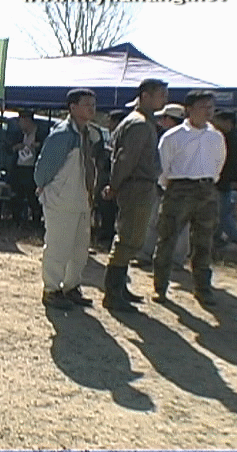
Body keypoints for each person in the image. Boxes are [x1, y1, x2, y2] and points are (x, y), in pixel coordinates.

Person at [152, 90, 226, 306]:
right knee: (167, 239)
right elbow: (162, 167)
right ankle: (160, 287)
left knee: (204, 241)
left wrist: (209, 182)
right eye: (203, 106)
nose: (208, 111)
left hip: (207, 190)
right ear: (189, 109)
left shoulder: (216, 136)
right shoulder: (173, 136)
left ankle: (203, 288)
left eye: (211, 107)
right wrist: (171, 186)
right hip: (179, 189)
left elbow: (219, 164)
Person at [101, 78, 168, 311]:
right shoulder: (139, 124)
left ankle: (120, 288)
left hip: (140, 185)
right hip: (136, 186)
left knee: (133, 238)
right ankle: (113, 293)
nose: (165, 99)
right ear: (145, 96)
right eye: (161, 95)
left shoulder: (143, 121)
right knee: (128, 238)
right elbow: (125, 159)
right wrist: (114, 186)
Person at [34, 89, 100, 310]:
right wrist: (43, 186)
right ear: (72, 107)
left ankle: (71, 287)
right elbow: (44, 167)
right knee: (58, 247)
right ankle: (51, 289)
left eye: (93, 104)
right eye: (86, 104)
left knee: (79, 249)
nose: (91, 108)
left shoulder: (89, 134)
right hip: (61, 199)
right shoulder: (62, 134)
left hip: (82, 199)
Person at [132, 103, 190, 269]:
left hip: (174, 184)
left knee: (175, 224)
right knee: (157, 221)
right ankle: (154, 256)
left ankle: (168, 258)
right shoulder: (165, 135)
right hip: (167, 184)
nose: (161, 121)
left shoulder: (173, 137)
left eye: (164, 117)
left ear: (171, 119)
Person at [212, 109, 237, 252]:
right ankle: (217, 239)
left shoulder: (236, 139)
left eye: (218, 121)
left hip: (230, 183)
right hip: (224, 182)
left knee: (223, 214)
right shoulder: (227, 137)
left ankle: (236, 240)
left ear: (228, 122)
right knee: (220, 212)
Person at [7, 110, 47, 228]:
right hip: (19, 169)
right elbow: (7, 147)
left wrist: (38, 146)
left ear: (27, 121)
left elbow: (48, 148)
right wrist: (15, 147)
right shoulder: (18, 134)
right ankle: (16, 222)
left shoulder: (41, 133)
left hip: (33, 170)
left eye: (21, 121)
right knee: (16, 196)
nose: (19, 124)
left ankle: (35, 223)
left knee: (33, 198)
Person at [92, 109, 125, 245]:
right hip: (104, 176)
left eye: (111, 121)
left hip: (115, 176)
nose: (108, 124)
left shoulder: (123, 136)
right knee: (104, 207)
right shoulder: (108, 136)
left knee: (112, 208)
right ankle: (105, 232)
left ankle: (110, 235)